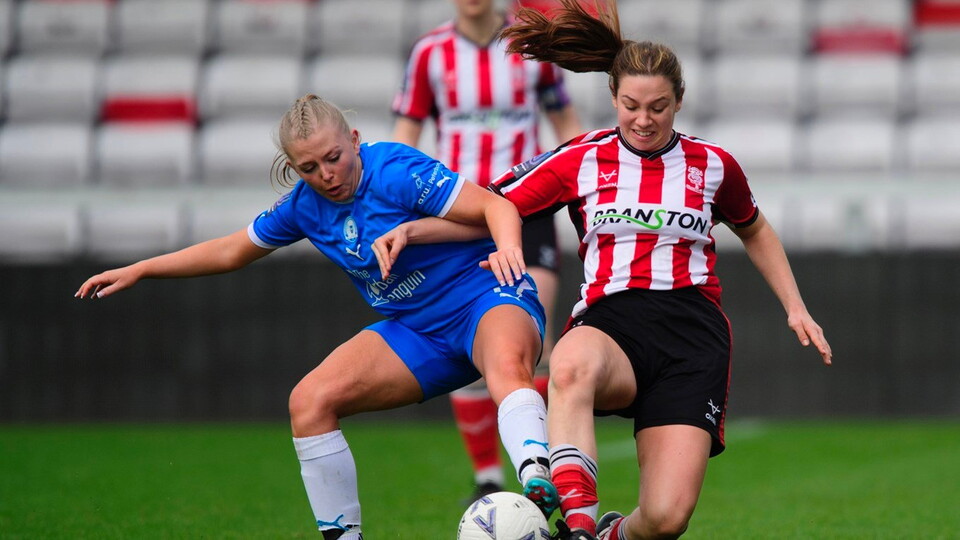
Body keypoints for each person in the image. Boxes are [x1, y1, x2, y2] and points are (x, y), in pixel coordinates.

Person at [74, 94, 561, 539]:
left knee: (505, 365)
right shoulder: (304, 207)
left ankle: (538, 476)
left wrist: (508, 252)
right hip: (418, 331)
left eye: (333, 157)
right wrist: (142, 268)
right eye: (309, 167)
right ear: (294, 168)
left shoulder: (395, 169)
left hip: (483, 296)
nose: (327, 174)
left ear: (354, 140)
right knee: (309, 402)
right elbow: (229, 251)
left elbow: (496, 207)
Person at [497, 1, 835, 538]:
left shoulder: (714, 165)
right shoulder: (581, 157)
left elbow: (755, 229)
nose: (643, 119)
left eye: (658, 107)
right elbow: (492, 202)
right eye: (631, 105)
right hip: (612, 323)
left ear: (679, 100)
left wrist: (796, 307)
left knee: (665, 518)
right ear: (613, 97)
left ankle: (610, 534)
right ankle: (579, 526)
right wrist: (415, 230)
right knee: (569, 365)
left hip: (691, 338)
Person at [392, 0, 583, 502]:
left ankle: (544, 467)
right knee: (466, 346)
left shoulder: (533, 45)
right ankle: (488, 478)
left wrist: (588, 181)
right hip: (457, 216)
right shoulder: (430, 53)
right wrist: (399, 203)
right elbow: (406, 135)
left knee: (533, 344)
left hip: (528, 211)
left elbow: (566, 123)